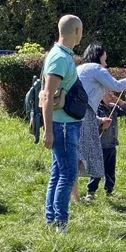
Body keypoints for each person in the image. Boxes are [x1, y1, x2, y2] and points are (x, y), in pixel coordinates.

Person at [77, 43, 126, 200]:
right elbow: (117, 86)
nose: (106, 61)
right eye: (104, 57)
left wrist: (98, 120)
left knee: (76, 155)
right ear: (98, 55)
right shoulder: (96, 68)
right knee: (89, 156)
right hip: (85, 114)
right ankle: (83, 194)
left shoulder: (80, 68)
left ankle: (74, 197)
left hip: (75, 114)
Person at [42, 15, 84, 231]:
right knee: (67, 173)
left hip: (64, 123)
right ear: (76, 31)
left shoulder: (61, 54)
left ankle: (51, 219)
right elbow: (48, 95)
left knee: (58, 172)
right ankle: (60, 222)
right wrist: (48, 131)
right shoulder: (59, 58)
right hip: (63, 125)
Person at [86, 93, 126, 201]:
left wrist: (118, 99)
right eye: (107, 93)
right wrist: (101, 123)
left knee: (110, 169)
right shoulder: (97, 107)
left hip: (111, 144)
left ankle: (109, 189)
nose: (110, 95)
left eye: (111, 93)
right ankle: (91, 191)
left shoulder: (113, 107)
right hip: (100, 144)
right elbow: (91, 121)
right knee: (97, 169)